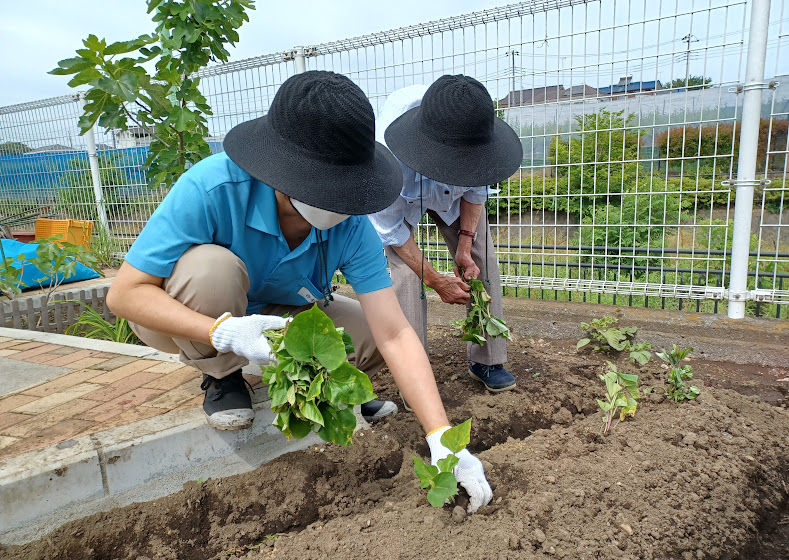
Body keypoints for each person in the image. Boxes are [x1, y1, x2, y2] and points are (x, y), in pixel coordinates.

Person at [105, 71, 493, 512]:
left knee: (367, 334)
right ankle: (222, 375)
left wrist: (442, 440)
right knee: (211, 269)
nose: (335, 200)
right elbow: (125, 295)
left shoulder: (351, 219)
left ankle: (330, 390)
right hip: (192, 311)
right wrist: (228, 333)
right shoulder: (214, 186)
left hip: (280, 310)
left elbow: (395, 332)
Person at [369, 75, 523, 393]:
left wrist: (465, 244)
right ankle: (414, 375)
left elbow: (476, 192)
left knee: (481, 257)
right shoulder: (386, 154)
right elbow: (390, 229)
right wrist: (436, 280)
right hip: (402, 204)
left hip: (452, 201)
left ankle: (488, 358)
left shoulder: (476, 136)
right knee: (405, 276)